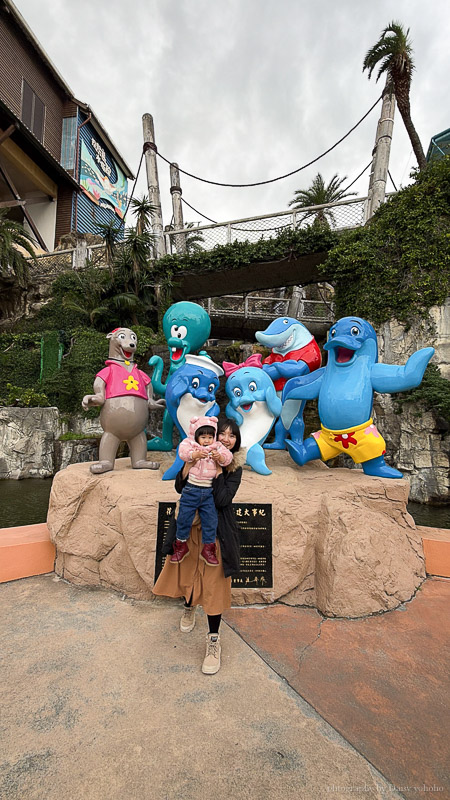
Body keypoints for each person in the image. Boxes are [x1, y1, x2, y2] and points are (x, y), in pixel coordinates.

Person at [153, 418, 245, 675]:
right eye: (222, 434)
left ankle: (213, 639)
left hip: (214, 534)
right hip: (190, 527)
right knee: (186, 571)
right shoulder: (197, 450)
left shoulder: (232, 467)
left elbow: (224, 499)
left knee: (214, 585)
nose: (226, 439)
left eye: (232, 436)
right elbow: (180, 487)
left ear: (236, 442)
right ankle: (189, 606)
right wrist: (187, 466)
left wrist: (216, 473)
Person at [172, 416, 232, 567]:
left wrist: (221, 457)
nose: (207, 441)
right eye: (203, 437)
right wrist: (194, 455)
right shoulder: (190, 444)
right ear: (196, 436)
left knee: (210, 520)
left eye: (210, 437)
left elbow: (228, 457)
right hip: (191, 490)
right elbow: (183, 452)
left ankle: (208, 548)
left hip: (208, 492)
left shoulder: (217, 446)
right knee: (184, 518)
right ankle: (181, 545)